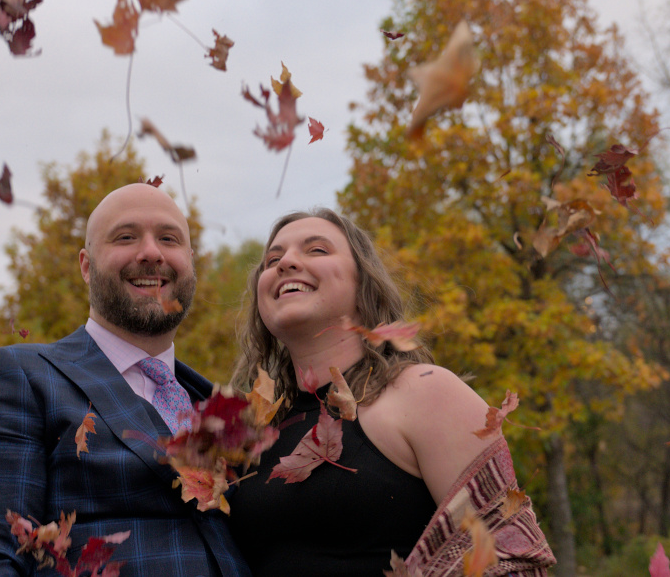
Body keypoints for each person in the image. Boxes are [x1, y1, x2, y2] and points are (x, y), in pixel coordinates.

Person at [0, 183, 251, 577]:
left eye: (169, 239)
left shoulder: (227, 409)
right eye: (126, 237)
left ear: (190, 263)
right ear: (86, 267)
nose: (151, 252)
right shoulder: (18, 377)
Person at [228, 208, 555, 576]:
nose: (286, 262)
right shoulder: (256, 436)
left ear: (363, 284)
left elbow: (509, 558)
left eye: (317, 250)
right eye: (272, 260)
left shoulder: (423, 392)